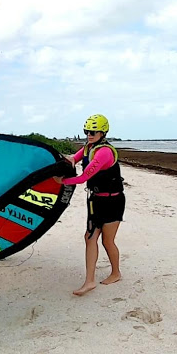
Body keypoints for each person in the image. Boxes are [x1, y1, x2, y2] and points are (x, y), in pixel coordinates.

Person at [54, 114, 125, 296]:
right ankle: (90, 281)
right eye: (87, 131)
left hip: (112, 201)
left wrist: (61, 181)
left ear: (103, 132)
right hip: (95, 200)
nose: (89, 134)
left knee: (107, 241)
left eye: (93, 131)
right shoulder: (88, 148)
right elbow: (72, 160)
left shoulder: (104, 152)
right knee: (89, 237)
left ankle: (116, 273)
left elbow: (84, 176)